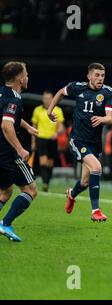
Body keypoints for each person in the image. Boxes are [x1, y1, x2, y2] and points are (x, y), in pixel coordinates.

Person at [47, 62, 112, 222]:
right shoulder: (77, 87)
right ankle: (96, 211)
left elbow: (110, 118)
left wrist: (102, 119)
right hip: (78, 139)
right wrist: (50, 110)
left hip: (95, 142)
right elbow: (60, 93)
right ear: (89, 76)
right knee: (97, 167)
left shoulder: (108, 92)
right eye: (97, 75)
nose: (100, 78)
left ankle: (71, 194)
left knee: (85, 181)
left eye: (102, 75)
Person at [0, 61, 39, 242]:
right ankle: (5, 223)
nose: (28, 77)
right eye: (27, 74)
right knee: (30, 189)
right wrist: (20, 148)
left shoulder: (3, 94)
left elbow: (12, 118)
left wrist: (28, 127)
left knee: (5, 192)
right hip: (7, 154)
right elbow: (6, 124)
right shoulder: (14, 99)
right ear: (20, 79)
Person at [31, 90, 65, 192]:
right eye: (45, 98)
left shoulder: (58, 110)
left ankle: (47, 182)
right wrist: (33, 142)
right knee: (43, 162)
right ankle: (45, 183)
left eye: (49, 98)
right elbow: (34, 126)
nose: (46, 100)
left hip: (52, 140)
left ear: (52, 99)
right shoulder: (37, 110)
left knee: (50, 163)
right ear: (42, 99)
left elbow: (61, 126)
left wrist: (58, 132)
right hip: (41, 139)